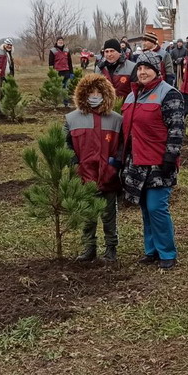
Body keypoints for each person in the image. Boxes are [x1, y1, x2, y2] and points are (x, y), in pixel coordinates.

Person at [121, 51, 185, 269]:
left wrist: (170, 157)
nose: (142, 72)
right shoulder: (132, 95)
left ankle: (167, 253)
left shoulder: (169, 94)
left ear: (157, 70)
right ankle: (152, 250)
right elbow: (127, 130)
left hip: (159, 161)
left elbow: (176, 128)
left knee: (157, 206)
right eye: (139, 68)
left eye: (147, 68)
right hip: (137, 159)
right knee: (145, 207)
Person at [65, 74, 124, 262]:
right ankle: (88, 247)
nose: (95, 95)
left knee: (109, 216)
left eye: (99, 92)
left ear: (106, 94)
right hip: (84, 175)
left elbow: (122, 146)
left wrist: (115, 165)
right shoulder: (72, 119)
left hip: (109, 175)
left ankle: (111, 248)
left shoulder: (116, 119)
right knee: (88, 215)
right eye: (91, 92)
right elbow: (66, 145)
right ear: (83, 94)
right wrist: (75, 164)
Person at [0, 38, 15, 119]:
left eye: (10, 45)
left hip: (7, 77)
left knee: (6, 94)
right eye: (8, 45)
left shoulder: (10, 54)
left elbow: (10, 66)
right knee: (0, 94)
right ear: (4, 44)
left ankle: (4, 111)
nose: (9, 46)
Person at [48, 36, 75, 105]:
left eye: (62, 40)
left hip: (66, 72)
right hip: (57, 72)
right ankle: (56, 102)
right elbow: (50, 63)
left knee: (65, 88)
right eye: (59, 40)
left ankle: (65, 103)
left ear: (63, 42)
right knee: (58, 88)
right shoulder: (53, 51)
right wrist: (52, 73)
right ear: (56, 42)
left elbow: (70, 62)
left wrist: (71, 72)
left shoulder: (67, 50)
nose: (60, 42)